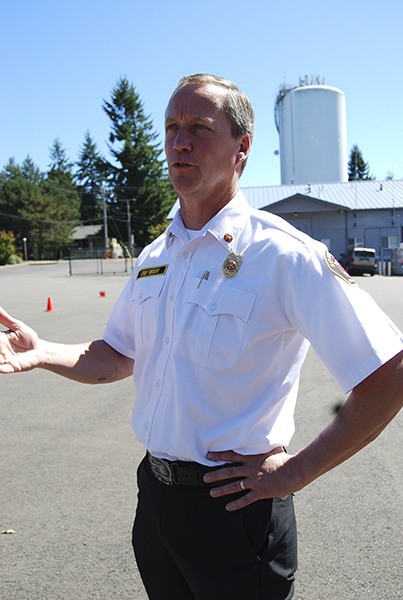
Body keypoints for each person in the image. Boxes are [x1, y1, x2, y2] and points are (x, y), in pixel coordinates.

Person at [0, 73, 402, 600]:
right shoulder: (156, 256)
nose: (179, 141)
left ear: (243, 147)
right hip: (158, 502)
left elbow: (389, 371)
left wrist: (297, 470)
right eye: (171, 127)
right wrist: (42, 351)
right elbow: (117, 355)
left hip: (237, 510)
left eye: (199, 127)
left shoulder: (282, 255)